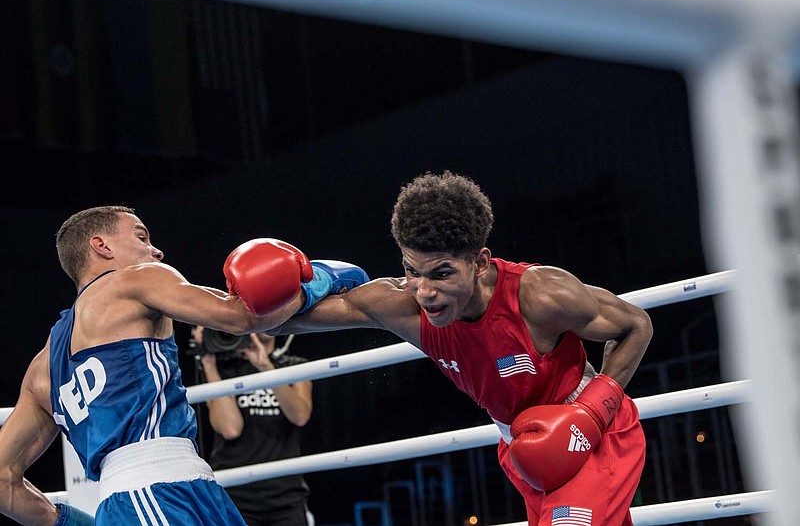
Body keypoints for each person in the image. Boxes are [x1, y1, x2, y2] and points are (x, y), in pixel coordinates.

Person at [259, 171, 653, 525]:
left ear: (480, 262)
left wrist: (591, 411)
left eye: (442, 273)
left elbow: (636, 325)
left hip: (594, 437)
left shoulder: (539, 294)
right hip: (522, 451)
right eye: (412, 271)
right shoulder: (401, 305)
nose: (425, 291)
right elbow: (269, 319)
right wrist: (313, 284)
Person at [0, 206, 367, 526]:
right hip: (162, 492)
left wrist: (73, 523)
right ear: (102, 245)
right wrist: (319, 279)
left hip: (161, 493)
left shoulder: (42, 367)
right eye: (142, 237)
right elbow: (241, 317)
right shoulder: (135, 278)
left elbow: (2, 479)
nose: (155, 250)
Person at [194, 327, 315, 526]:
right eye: (262, 315)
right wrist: (208, 363)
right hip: (235, 494)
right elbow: (230, 429)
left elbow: (300, 416)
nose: (267, 321)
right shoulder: (225, 368)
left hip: (286, 495)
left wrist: (266, 368)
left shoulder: (295, 367)